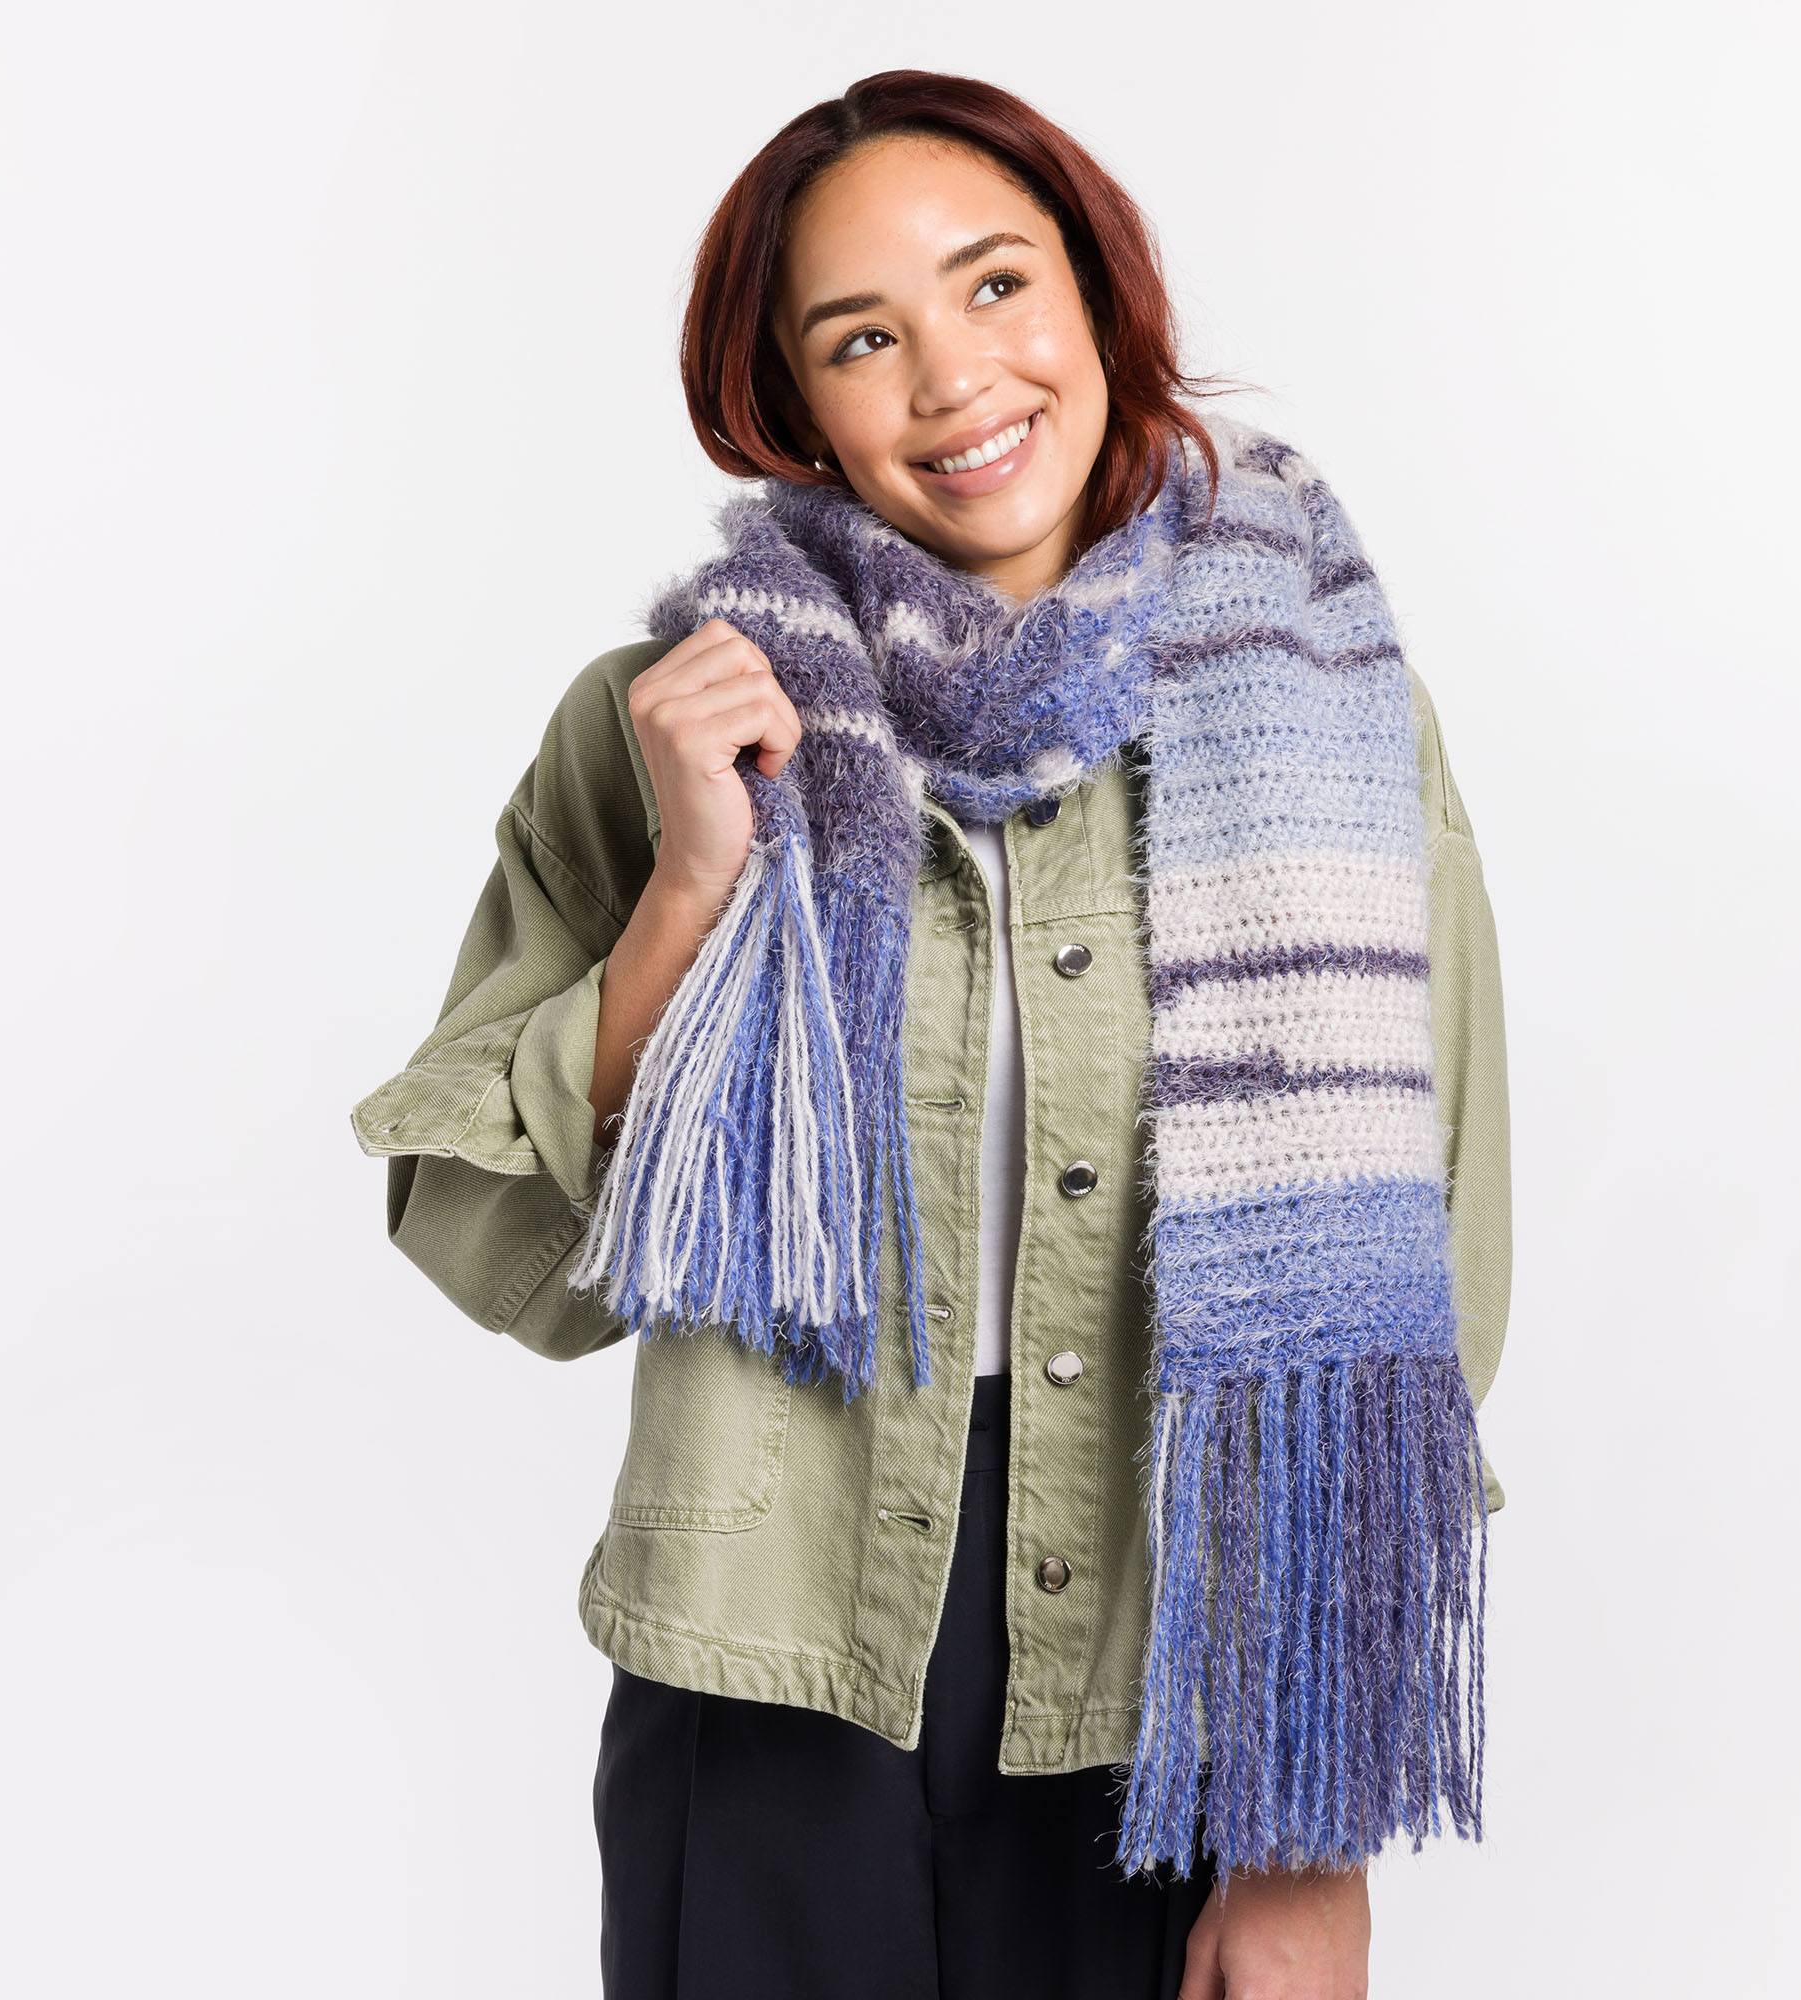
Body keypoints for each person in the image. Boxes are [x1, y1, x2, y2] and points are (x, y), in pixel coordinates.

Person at [351, 68, 1511, 2000]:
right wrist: (690, 891)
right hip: (770, 1676)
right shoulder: (671, 724)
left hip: (1172, 1693)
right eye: (861, 337)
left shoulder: (1318, 703)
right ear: (792, 400)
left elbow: (1429, 1285)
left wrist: (1306, 1843)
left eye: (994, 285)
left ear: (1096, 294)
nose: (954, 377)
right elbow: (497, 1256)